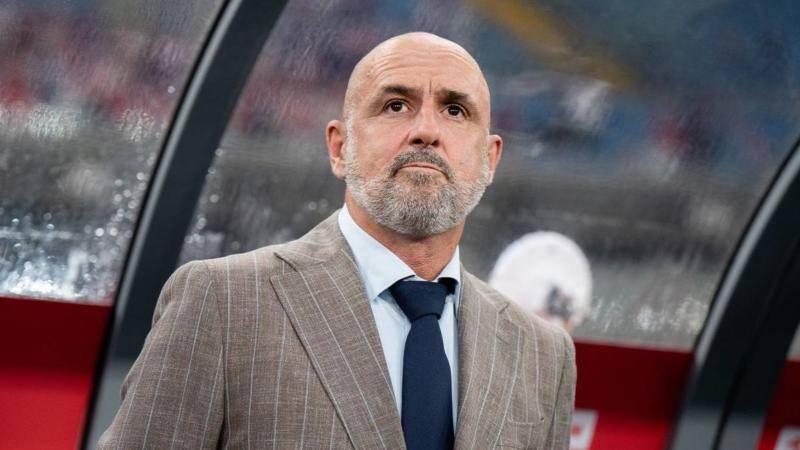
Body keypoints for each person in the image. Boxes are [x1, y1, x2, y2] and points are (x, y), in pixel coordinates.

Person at [98, 32, 575, 449]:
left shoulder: (542, 354)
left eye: (455, 110)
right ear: (339, 146)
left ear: (490, 159)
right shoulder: (223, 302)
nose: (427, 131)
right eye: (396, 105)